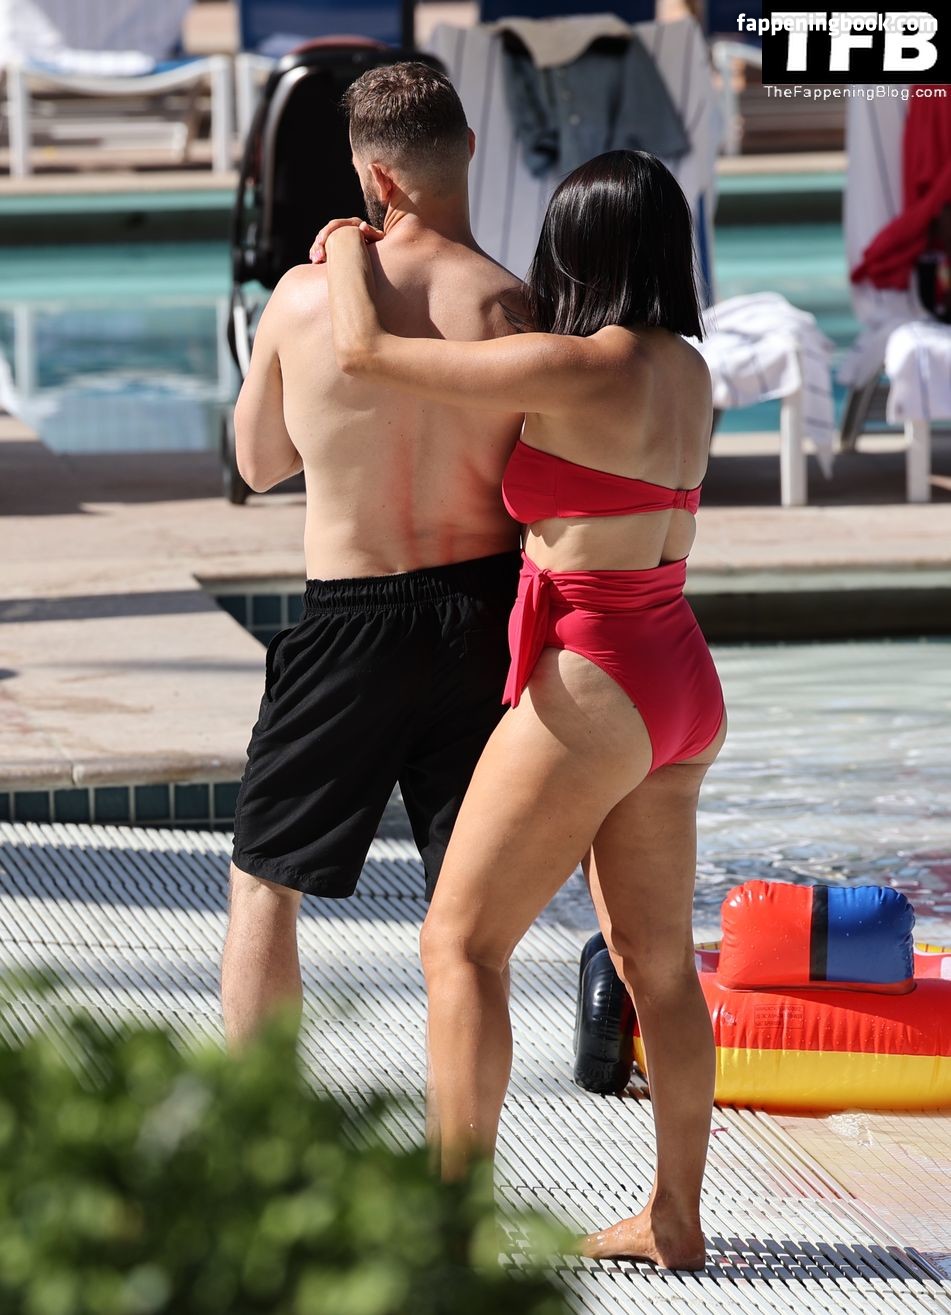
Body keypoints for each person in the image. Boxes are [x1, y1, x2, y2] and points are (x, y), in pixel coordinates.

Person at [320, 149, 728, 1272]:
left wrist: (349, 244)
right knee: (657, 966)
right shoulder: (688, 370)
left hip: (598, 671)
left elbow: (366, 354)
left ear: (576, 250)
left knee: (460, 942)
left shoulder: (577, 366)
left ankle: (454, 1228)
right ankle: (675, 1216)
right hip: (678, 671)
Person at [221, 63, 525, 1049]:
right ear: (468, 149)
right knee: (469, 926)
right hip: (484, 618)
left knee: (266, 882)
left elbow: (259, 463)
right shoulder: (514, 310)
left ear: (374, 177)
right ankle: (462, 1147)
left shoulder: (304, 299)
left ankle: (258, 1128)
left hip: (350, 618)